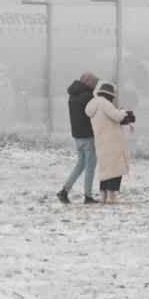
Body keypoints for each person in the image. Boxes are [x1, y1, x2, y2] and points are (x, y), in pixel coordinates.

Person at [85, 82, 135, 204]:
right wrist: (124, 112)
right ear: (109, 95)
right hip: (112, 141)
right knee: (116, 168)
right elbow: (118, 117)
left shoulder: (95, 104)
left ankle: (103, 195)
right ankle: (112, 196)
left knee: (106, 169)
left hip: (102, 140)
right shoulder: (105, 104)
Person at [58, 72, 99, 204]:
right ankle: (88, 196)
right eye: (94, 84)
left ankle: (64, 191)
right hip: (88, 135)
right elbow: (96, 112)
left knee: (81, 163)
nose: (95, 86)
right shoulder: (87, 96)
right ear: (89, 83)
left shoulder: (73, 95)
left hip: (78, 136)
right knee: (90, 165)